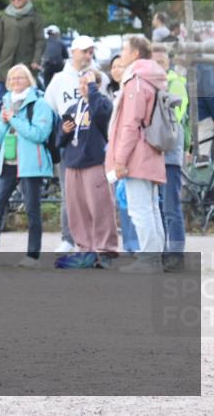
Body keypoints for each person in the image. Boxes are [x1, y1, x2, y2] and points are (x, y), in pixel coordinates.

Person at [0, 64, 54, 268]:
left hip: (30, 164)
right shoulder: (6, 102)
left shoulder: (40, 104)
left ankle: (32, 256)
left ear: (29, 80)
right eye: (12, 79)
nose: (16, 82)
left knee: (32, 210)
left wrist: (14, 120)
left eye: (20, 78)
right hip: (7, 163)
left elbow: (39, 135)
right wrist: (4, 123)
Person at [106, 35, 167, 273]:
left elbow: (130, 124)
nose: (121, 55)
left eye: (124, 50)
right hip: (151, 150)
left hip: (137, 154)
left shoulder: (136, 81)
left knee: (140, 208)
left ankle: (149, 260)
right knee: (151, 207)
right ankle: (154, 258)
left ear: (135, 54)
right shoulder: (154, 78)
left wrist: (120, 160)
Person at [43, 34, 108, 253]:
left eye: (91, 52)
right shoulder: (59, 79)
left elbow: (106, 107)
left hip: (94, 141)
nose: (88, 56)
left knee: (95, 194)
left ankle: (94, 241)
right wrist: (57, 135)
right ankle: (69, 238)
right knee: (69, 194)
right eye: (84, 51)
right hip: (70, 139)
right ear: (73, 52)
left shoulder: (99, 76)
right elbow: (49, 108)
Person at [55, 70, 117, 269]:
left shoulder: (102, 104)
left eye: (88, 84)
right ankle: (85, 250)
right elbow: (59, 141)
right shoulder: (73, 108)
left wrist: (93, 89)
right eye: (81, 84)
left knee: (100, 208)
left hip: (94, 162)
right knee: (77, 211)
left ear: (96, 86)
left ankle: (105, 250)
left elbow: (102, 115)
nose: (83, 87)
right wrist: (63, 132)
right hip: (73, 163)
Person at [151, 43, 189, 271]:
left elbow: (177, 115)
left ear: (168, 63)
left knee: (171, 207)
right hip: (154, 153)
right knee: (158, 205)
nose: (158, 66)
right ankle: (163, 251)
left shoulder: (175, 83)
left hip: (170, 153)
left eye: (161, 62)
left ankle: (176, 254)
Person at [0, 0, 45, 99]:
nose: (16, 1)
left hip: (26, 64)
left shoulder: (34, 17)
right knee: (1, 99)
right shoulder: (6, 17)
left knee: (24, 98)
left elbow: (40, 40)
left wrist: (36, 59)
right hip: (4, 65)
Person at [106, 54, 138, 253]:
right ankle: (128, 243)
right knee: (121, 199)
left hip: (128, 153)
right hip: (111, 151)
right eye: (114, 66)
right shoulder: (108, 93)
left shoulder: (132, 90)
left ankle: (137, 244)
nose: (117, 69)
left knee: (133, 200)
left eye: (121, 65)